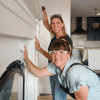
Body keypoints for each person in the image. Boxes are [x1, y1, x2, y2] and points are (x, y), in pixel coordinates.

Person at [24, 37, 100, 100]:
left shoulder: (74, 71)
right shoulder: (57, 65)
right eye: (53, 52)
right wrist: (26, 59)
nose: (56, 56)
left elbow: (81, 99)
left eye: (61, 52)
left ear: (69, 53)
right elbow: (39, 72)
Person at [35, 8, 73, 100]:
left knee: (59, 98)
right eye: (53, 23)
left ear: (62, 24)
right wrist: (45, 13)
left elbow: (55, 59)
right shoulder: (55, 36)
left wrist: (40, 50)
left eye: (58, 23)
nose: (55, 25)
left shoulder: (64, 40)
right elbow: (46, 23)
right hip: (53, 69)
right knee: (55, 97)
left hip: (61, 72)